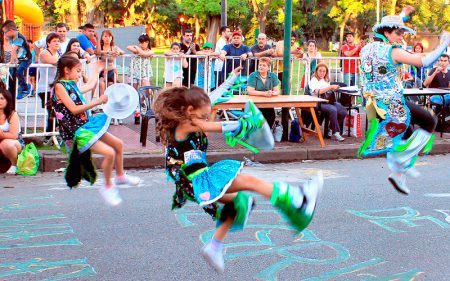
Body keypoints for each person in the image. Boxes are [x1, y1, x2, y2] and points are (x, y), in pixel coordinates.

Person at [153, 85, 322, 273]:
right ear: (189, 110)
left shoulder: (188, 117)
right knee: (251, 182)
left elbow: (209, 101)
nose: (205, 119)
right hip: (198, 180)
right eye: (203, 115)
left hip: (194, 183)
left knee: (239, 202)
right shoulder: (188, 124)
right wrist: (244, 124)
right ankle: (298, 199)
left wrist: (228, 83)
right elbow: (215, 126)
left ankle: (214, 246)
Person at [358, 14, 450, 194]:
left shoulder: (367, 49)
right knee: (429, 122)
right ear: (387, 32)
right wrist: (444, 45)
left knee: (406, 133)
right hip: (392, 105)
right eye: (398, 33)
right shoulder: (392, 51)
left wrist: (401, 16)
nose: (402, 37)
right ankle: (402, 161)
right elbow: (423, 62)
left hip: (373, 103)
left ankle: (399, 172)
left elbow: (388, 29)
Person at [52, 55, 141, 206]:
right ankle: (107, 187)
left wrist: (97, 71)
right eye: (78, 71)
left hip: (86, 125)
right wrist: (97, 102)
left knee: (118, 144)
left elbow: (91, 85)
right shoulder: (60, 86)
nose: (80, 74)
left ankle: (120, 176)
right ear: (66, 70)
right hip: (77, 131)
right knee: (109, 153)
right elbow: (73, 110)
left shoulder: (72, 84)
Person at [308, 63, 347, 142]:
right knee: (333, 109)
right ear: (316, 71)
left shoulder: (325, 80)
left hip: (328, 101)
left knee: (343, 111)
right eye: (320, 71)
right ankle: (336, 132)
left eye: (324, 71)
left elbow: (327, 91)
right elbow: (317, 92)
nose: (322, 73)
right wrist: (330, 87)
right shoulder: (314, 80)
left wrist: (333, 89)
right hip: (317, 102)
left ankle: (331, 127)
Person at [36, 33, 60, 145]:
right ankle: (48, 136)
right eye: (54, 41)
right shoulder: (44, 53)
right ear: (48, 43)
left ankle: (53, 134)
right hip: (44, 88)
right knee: (52, 111)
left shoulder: (58, 53)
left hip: (55, 88)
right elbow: (54, 61)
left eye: (58, 41)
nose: (57, 43)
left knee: (57, 111)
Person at [2, 20, 32, 99]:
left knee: (19, 71)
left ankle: (26, 88)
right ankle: (16, 86)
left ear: (11, 30)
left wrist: (11, 61)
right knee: (12, 72)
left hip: (26, 59)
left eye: (5, 32)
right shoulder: (12, 38)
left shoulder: (19, 38)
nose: (5, 34)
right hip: (20, 58)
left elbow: (13, 51)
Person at [246, 57, 279, 128]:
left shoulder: (273, 76)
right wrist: (264, 93)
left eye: (264, 65)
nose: (261, 67)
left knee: (270, 115)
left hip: (267, 102)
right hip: (254, 102)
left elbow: (277, 91)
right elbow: (250, 91)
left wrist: (271, 93)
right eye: (260, 65)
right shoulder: (253, 75)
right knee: (256, 117)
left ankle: (267, 133)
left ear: (268, 67)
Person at [0, 88, 25, 175]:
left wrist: (2, 134)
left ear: (7, 101)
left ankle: (14, 165)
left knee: (6, 144)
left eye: (2, 99)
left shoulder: (12, 114)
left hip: (15, 143)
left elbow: (14, 135)